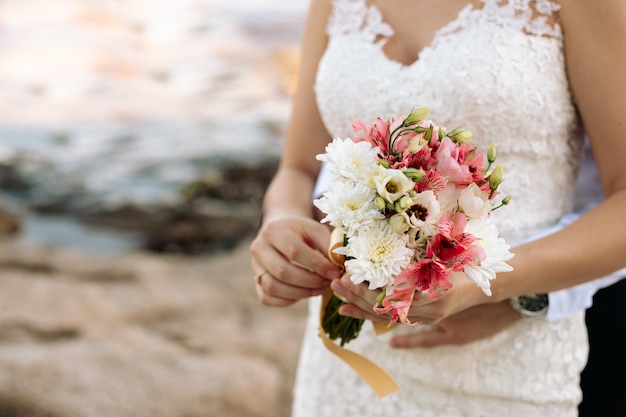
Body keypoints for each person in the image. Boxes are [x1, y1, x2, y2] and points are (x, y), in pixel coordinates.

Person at [249, 0, 626, 416]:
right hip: (346, 354)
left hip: (498, 367)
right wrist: (282, 220)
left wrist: (496, 288)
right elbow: (299, 167)